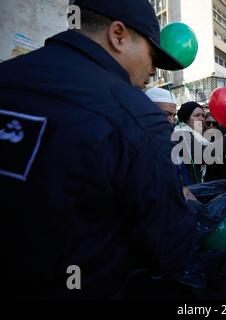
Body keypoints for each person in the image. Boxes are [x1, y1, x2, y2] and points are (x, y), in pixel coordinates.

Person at [0, 0, 198, 299]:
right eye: (152, 55)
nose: (154, 70)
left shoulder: (9, 76)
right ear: (118, 35)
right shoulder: (137, 116)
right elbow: (170, 247)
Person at [175, 101, 210, 184]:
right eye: (197, 115)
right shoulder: (181, 134)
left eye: (203, 116)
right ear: (186, 119)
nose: (202, 119)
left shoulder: (198, 136)